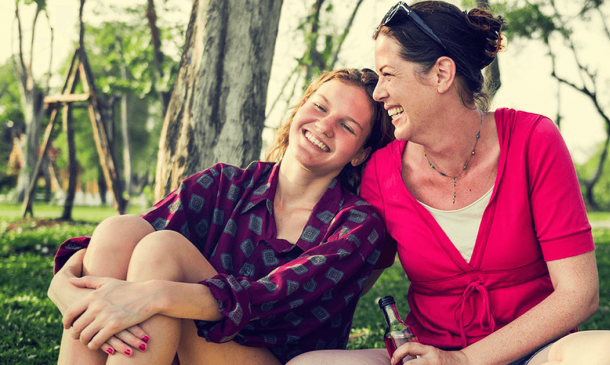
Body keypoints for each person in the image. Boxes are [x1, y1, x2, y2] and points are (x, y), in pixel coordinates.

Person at [287, 2, 610, 365]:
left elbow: (579, 294)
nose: (379, 93)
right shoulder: (381, 172)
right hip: (428, 356)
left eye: (389, 74)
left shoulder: (532, 140)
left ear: (441, 74)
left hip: (537, 354)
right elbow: (347, 280)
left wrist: (463, 360)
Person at [48, 68, 394, 365]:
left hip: (270, 358)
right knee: (117, 230)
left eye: (347, 126)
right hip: (188, 344)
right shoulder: (227, 184)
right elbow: (119, 245)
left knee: (163, 250)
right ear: (300, 107)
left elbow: (270, 299)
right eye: (319, 106)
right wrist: (66, 282)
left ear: (360, 154)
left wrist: (155, 295)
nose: (324, 125)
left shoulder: (357, 225)